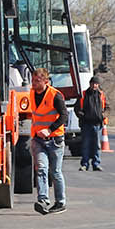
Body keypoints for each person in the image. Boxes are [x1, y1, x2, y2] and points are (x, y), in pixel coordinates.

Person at [29, 67, 68, 214]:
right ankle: (43, 200)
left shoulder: (55, 95)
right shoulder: (32, 93)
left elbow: (64, 116)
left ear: (46, 81)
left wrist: (50, 129)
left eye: (37, 81)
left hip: (55, 140)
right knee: (41, 168)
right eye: (33, 80)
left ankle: (60, 202)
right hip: (38, 140)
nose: (34, 83)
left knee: (55, 171)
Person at [77, 76, 108, 171]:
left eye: (96, 84)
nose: (94, 85)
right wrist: (82, 115)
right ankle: (84, 164)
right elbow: (77, 108)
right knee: (85, 145)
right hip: (86, 124)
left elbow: (107, 107)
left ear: (98, 85)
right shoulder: (83, 94)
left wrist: (103, 115)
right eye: (92, 83)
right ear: (90, 84)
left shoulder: (101, 95)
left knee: (96, 146)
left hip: (97, 124)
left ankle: (96, 164)